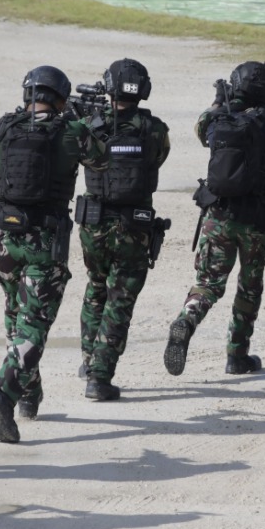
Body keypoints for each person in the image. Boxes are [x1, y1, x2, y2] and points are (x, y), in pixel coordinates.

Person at [0, 66, 105, 443]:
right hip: (44, 240)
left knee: (16, 311)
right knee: (35, 323)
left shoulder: (1, 126)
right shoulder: (72, 131)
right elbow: (101, 161)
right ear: (60, 97)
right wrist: (80, 121)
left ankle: (29, 393)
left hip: (2, 239)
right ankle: (2, 394)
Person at [163, 61, 265, 377]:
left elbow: (201, 131)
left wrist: (221, 101)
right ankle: (237, 355)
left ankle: (186, 320)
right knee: (249, 285)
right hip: (257, 220)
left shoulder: (218, 119)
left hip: (219, 215)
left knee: (207, 284)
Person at [76, 59, 170, 401]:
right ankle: (99, 376)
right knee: (121, 298)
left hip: (94, 223)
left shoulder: (88, 124)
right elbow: (158, 159)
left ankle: (89, 359)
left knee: (96, 288)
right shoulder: (155, 129)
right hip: (134, 224)